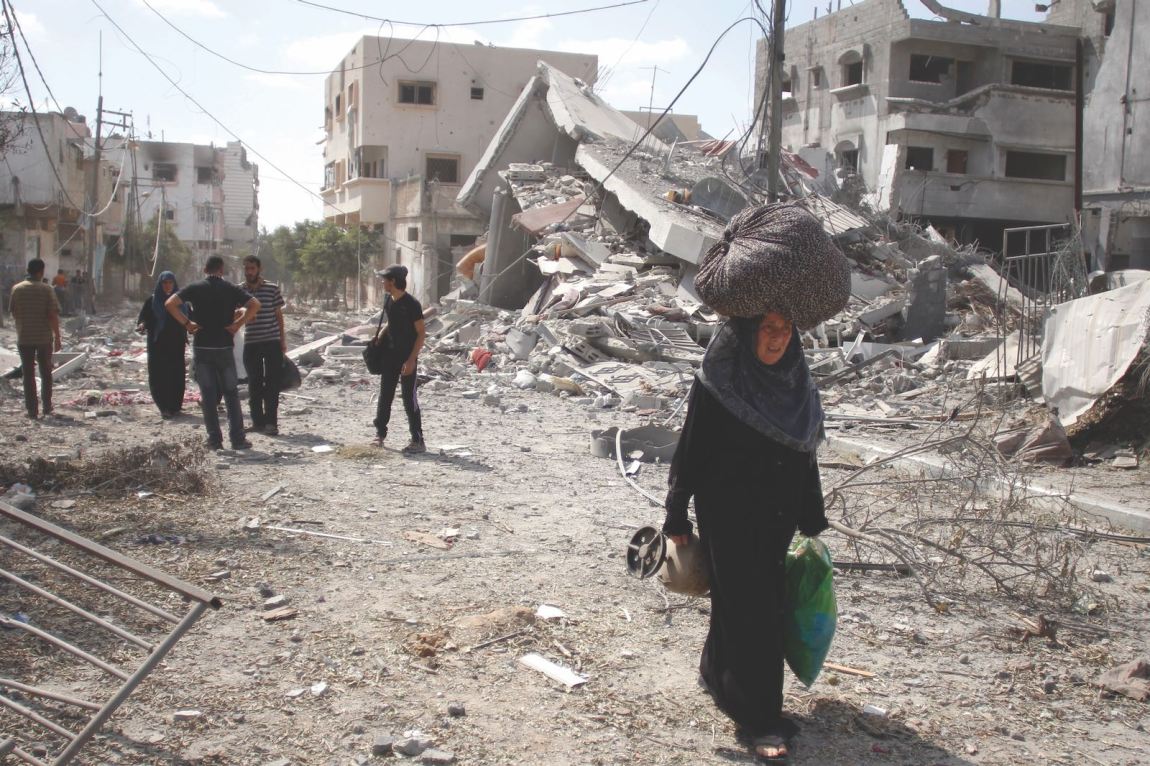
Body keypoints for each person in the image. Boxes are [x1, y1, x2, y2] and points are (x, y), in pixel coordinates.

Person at [663, 206, 848, 761]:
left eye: (784, 329)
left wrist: (811, 515)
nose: (776, 338)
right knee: (756, 610)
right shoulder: (720, 379)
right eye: (767, 328)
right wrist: (676, 513)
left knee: (739, 601)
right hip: (728, 510)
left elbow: (804, 450)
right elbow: (691, 447)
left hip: (778, 514)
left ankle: (717, 674)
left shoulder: (796, 383)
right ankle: (759, 718)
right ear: (747, 330)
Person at [165, 255, 260, 450]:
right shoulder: (230, 288)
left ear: (205, 270)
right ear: (221, 270)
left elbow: (170, 304)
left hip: (202, 348)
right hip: (224, 347)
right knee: (231, 394)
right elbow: (255, 304)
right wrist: (237, 325)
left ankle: (214, 440)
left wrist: (187, 323)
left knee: (208, 396)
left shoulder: (195, 288)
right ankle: (238, 439)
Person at [370, 264, 425, 454]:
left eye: (384, 279)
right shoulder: (389, 300)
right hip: (389, 356)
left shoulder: (412, 304)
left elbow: (421, 333)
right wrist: (380, 336)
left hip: (407, 357)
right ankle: (379, 434)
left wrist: (411, 360)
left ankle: (417, 439)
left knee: (409, 398)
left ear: (393, 281)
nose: (382, 283)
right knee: (385, 395)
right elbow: (391, 322)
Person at [9, 258, 63, 419]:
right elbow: (52, 315)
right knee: (46, 372)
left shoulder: (17, 289)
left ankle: (32, 410)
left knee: (28, 374)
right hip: (43, 338)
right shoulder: (47, 289)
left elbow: (13, 312)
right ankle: (47, 407)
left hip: (24, 337)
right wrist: (57, 337)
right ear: (41, 271)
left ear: (28, 270)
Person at [241, 255, 286, 436]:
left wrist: (282, 340)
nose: (249, 272)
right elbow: (235, 314)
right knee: (254, 383)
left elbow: (279, 316)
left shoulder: (272, 288)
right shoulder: (240, 291)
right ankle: (257, 422)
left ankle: (271, 423)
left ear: (259, 269)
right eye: (246, 268)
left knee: (272, 383)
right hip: (251, 342)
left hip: (271, 341)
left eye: (252, 268)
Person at [136, 271, 188, 418]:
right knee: (159, 375)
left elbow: (189, 318)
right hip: (158, 344)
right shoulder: (152, 301)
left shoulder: (181, 301)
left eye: (170, 282)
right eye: (165, 283)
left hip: (176, 344)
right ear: (160, 284)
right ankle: (163, 407)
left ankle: (175, 406)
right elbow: (144, 318)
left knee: (176, 374)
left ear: (174, 283)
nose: (167, 285)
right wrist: (142, 325)